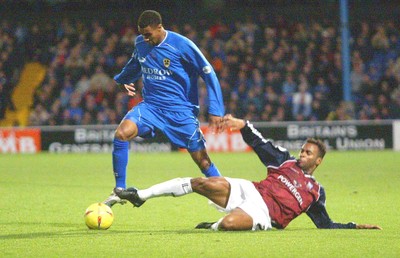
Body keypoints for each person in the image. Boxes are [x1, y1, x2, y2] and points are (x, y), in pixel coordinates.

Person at [114, 114, 381, 231]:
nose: (302, 154)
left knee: (230, 225)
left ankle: (215, 226)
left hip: (264, 215)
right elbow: (258, 142)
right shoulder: (284, 162)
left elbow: (325, 224)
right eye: (302, 150)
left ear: (319, 161)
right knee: (200, 182)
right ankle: (141, 195)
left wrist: (356, 226)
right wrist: (242, 124)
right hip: (251, 190)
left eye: (308, 153)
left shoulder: (315, 193)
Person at [103, 10, 225, 207]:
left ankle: (229, 197)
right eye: (142, 34)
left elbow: (208, 73)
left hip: (181, 112)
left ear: (160, 27)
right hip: (151, 108)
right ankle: (119, 190)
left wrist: (216, 109)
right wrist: (122, 80)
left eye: (148, 34)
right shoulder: (141, 43)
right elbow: (136, 63)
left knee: (203, 162)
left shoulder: (182, 45)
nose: (145, 38)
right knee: (121, 133)